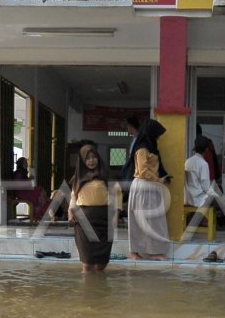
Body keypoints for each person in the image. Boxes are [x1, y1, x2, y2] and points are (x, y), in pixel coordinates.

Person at [68, 144, 121, 272]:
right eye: (87, 158)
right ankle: (87, 290)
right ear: (82, 161)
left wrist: (116, 216)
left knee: (103, 262)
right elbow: (73, 197)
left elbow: (117, 195)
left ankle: (97, 288)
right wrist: (70, 211)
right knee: (87, 262)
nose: (91, 160)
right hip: (83, 222)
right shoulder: (77, 179)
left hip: (104, 221)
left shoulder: (106, 176)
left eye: (94, 157)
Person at [125, 117, 171, 260]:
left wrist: (163, 178)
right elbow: (143, 171)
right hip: (144, 185)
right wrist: (159, 180)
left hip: (150, 186)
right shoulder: (142, 149)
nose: (158, 137)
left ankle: (152, 251)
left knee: (151, 220)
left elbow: (156, 167)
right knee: (143, 220)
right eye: (157, 134)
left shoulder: (151, 147)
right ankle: (136, 252)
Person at [184, 135, 212, 208]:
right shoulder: (203, 164)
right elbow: (206, 187)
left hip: (188, 199)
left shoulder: (187, 162)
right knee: (224, 202)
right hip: (200, 201)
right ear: (206, 149)